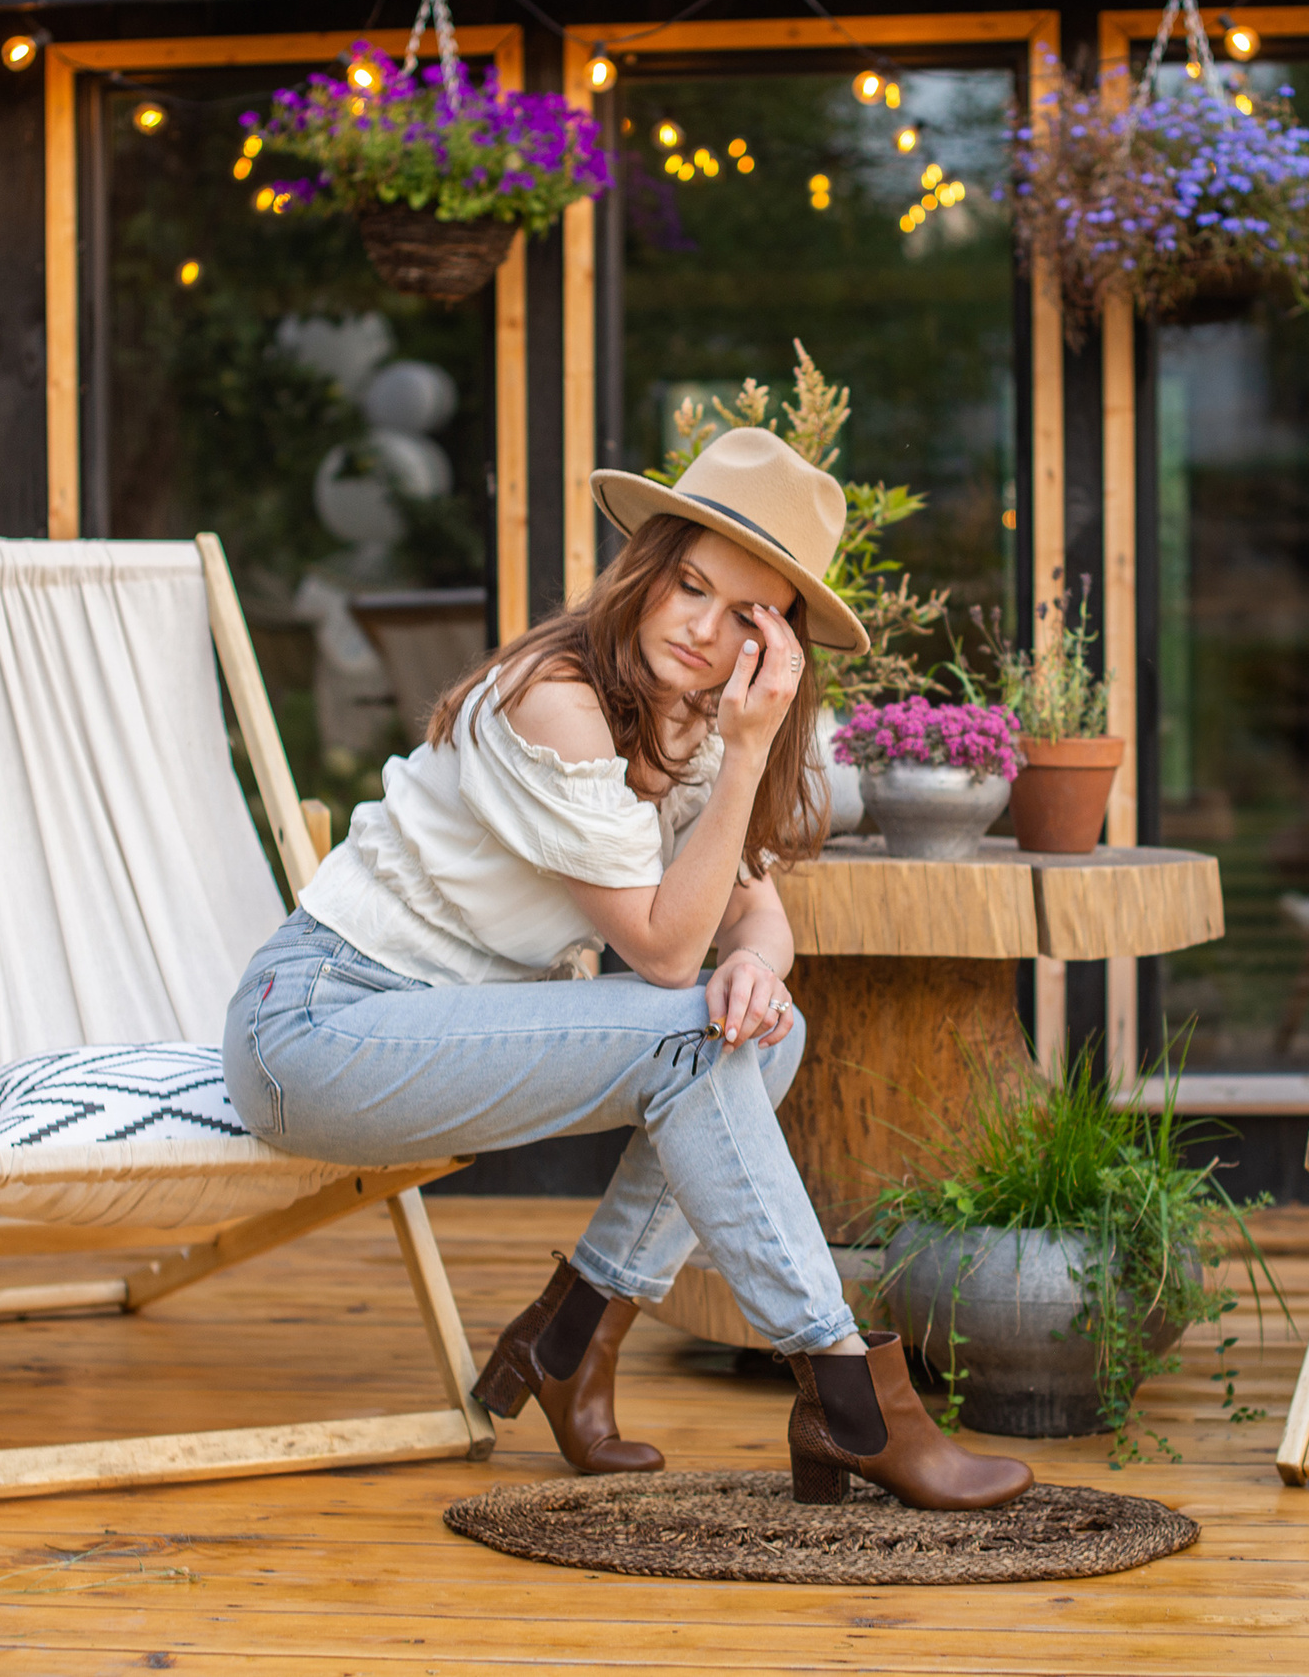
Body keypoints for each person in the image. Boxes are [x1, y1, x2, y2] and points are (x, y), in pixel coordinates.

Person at [225, 426, 1030, 1511]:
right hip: (318, 1032)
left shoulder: (688, 717)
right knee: (692, 1025)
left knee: (758, 1027)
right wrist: (747, 755)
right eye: (689, 585)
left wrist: (758, 967)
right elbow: (657, 952)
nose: (700, 630)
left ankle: (571, 1343)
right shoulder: (556, 699)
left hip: (432, 1034)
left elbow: (756, 916)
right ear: (647, 568)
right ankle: (849, 1396)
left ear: (776, 645)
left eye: (743, 615)